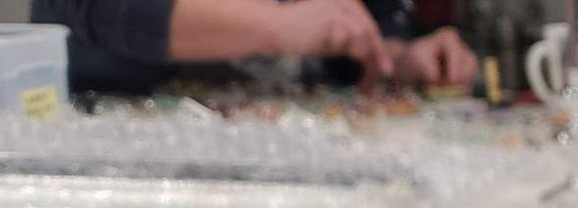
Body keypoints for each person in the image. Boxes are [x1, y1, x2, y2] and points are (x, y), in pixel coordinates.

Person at [31, 0, 478, 96]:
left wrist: (398, 57)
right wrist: (275, 25)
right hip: (105, 134)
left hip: (287, 149)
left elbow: (364, 21)